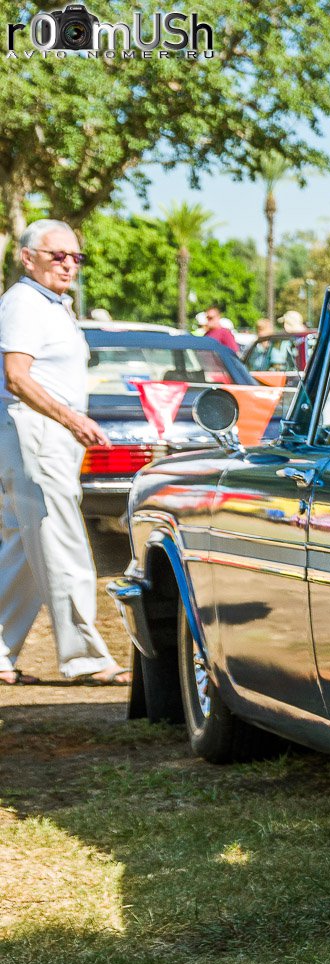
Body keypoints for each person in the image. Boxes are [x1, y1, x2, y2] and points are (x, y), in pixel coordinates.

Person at [0, 219, 128, 685]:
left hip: (45, 434)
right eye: (58, 255)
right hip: (35, 431)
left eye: (76, 256)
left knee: (22, 549)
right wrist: (73, 419)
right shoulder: (24, 304)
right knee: (62, 541)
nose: (69, 264)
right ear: (26, 256)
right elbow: (17, 377)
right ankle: (87, 659)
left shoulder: (51, 304)